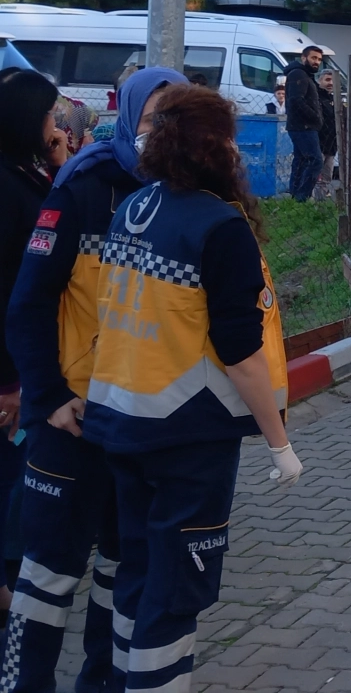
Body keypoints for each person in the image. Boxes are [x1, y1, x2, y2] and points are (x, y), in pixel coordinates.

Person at [82, 84, 300, 693]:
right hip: (187, 435)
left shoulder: (134, 206)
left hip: (122, 422)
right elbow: (241, 354)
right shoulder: (218, 227)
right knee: (175, 591)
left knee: (137, 571)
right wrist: (279, 442)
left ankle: (124, 681)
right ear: (216, 146)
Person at [3, 67, 186, 693]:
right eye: (153, 117)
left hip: (136, 428)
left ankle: (101, 684)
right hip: (69, 423)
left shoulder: (192, 194)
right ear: (129, 116)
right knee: (48, 574)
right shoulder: (81, 186)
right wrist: (49, 398)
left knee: (120, 568)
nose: (164, 130)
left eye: (177, 116)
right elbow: (28, 305)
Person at [0, 70, 72, 623]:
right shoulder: (6, 186)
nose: (57, 127)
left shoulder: (26, 172)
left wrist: (57, 163)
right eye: (50, 117)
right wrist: (11, 380)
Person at [282, 46, 324, 201]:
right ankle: (301, 197)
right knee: (315, 161)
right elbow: (296, 99)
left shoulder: (303, 74)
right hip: (303, 126)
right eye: (313, 58)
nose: (316, 62)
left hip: (302, 125)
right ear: (304, 57)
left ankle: (296, 197)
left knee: (301, 160)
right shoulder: (299, 74)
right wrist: (314, 117)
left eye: (319, 59)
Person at [316, 69, 338, 199]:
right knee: (315, 174)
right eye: (327, 80)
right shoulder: (317, 98)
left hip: (331, 143)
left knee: (327, 175)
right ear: (320, 81)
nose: (330, 83)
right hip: (319, 141)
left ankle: (322, 201)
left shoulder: (333, 98)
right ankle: (312, 201)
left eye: (333, 80)